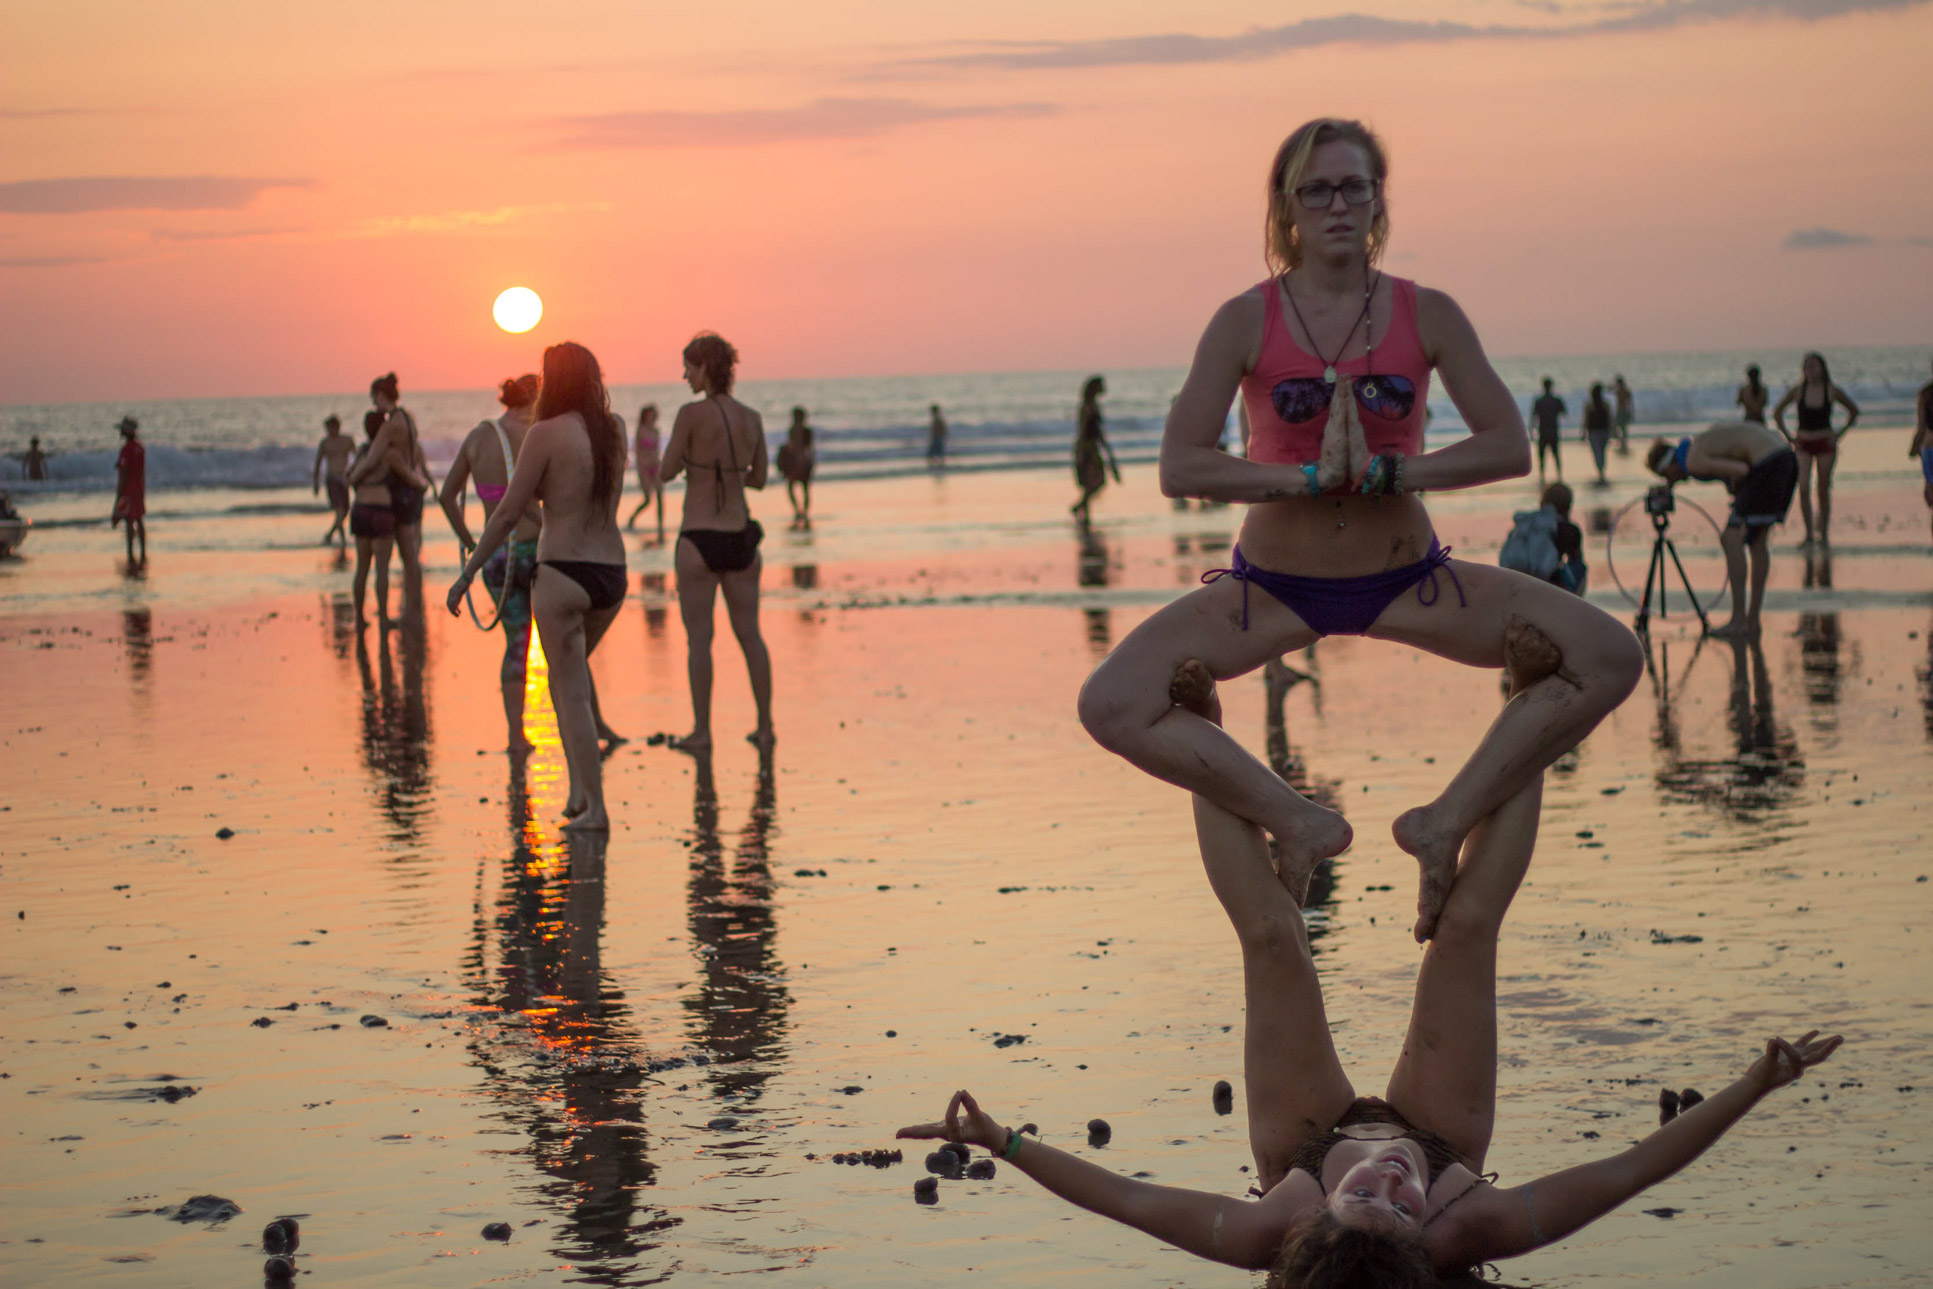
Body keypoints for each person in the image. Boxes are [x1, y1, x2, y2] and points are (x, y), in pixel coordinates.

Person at [905, 662, 1841, 1285]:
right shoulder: (1465, 1222)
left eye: (1370, 1196)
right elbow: (1630, 1168)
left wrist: (1006, 1143)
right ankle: (1531, 704)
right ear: (1425, 1236)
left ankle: (1198, 729)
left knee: (1273, 932)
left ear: (1316, 1224)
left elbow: (1132, 1200)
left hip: (1300, 1139)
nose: (1390, 1177)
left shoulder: (1283, 1220)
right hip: (1450, 1131)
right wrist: (1755, 1084)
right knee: (1468, 926)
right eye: (1403, 1204)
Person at [1076, 117, 1644, 938]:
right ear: (1287, 208)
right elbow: (1180, 465)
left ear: (1378, 199)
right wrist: (1302, 479)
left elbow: (1508, 445)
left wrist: (1392, 470)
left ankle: (1444, 819)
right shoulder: (1244, 320)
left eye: (1354, 185)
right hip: (1269, 590)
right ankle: (1298, 819)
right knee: (1111, 702)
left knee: (1609, 655)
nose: (1337, 202)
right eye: (1317, 188)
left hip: (1411, 581)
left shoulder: (1428, 313)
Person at [449, 342, 628, 831]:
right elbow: (593, 492)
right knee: (568, 681)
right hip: (611, 574)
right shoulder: (615, 430)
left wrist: (468, 573)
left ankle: (596, 809)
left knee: (568, 692)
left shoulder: (544, 433)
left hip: (564, 573)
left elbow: (509, 511)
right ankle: (578, 792)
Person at [661, 332, 774, 752]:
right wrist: (730, 471)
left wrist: (697, 467)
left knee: (699, 638)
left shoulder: (690, 415)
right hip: (742, 536)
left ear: (704, 367)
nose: (685, 375)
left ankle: (702, 731)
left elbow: (666, 471)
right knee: (750, 635)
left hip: (699, 536)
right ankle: (765, 727)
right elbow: (759, 479)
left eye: (689, 367)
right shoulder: (752, 417)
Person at [440, 374, 544, 751]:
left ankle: (516, 736)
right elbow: (534, 504)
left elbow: (446, 496)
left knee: (517, 640)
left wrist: (470, 542)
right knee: (559, 640)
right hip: (534, 551)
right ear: (533, 397)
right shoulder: (535, 433)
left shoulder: (477, 437)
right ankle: (579, 725)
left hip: (495, 556)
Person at [1646, 421, 1799, 638]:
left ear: (1669, 466)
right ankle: (1752, 621)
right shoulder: (1697, 445)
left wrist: (1736, 490)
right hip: (1784, 457)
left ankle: (1738, 620)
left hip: (1766, 465)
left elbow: (1741, 470)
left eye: (1665, 476)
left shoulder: (1693, 460)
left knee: (1731, 539)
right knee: (1757, 542)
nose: (1669, 480)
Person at [349, 373, 433, 617]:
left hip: (398, 497)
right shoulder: (408, 419)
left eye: (374, 399)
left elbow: (371, 460)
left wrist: (353, 478)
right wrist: (420, 483)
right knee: (411, 558)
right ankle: (414, 608)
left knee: (405, 559)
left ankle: (412, 610)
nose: (374, 405)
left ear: (381, 396)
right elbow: (412, 458)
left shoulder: (390, 426)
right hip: (410, 494)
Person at [1771, 352, 1859, 545]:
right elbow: (1777, 412)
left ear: (1822, 368)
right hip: (1803, 443)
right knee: (1803, 487)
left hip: (1825, 443)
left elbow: (1853, 411)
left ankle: (1824, 534)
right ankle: (1809, 533)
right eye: (1807, 366)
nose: (1810, 370)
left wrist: (1839, 434)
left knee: (1823, 489)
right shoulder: (1797, 391)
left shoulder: (1831, 390)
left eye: (1814, 366)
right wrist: (1789, 437)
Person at [349, 409, 396, 626]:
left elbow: (348, 476)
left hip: (360, 508)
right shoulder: (388, 452)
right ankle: (384, 617)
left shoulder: (362, 451)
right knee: (382, 570)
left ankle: (359, 617)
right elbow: (405, 475)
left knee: (362, 568)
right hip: (381, 510)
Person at [1071, 375, 1120, 523]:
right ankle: (1082, 510)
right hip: (1088, 447)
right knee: (1093, 481)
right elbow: (1089, 430)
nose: (1104, 388)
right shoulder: (1088, 407)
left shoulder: (1091, 406)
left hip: (1089, 446)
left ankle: (1081, 509)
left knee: (1094, 481)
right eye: (1101, 385)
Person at [625, 404, 664, 538]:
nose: (651, 417)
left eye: (652, 415)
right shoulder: (640, 431)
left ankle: (660, 525)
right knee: (647, 499)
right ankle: (632, 518)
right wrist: (640, 469)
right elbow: (636, 451)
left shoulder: (656, 431)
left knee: (660, 495)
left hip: (656, 467)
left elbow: (657, 450)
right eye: (648, 415)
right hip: (644, 468)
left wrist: (659, 465)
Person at [314, 414, 354, 546]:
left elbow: (359, 457)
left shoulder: (347, 440)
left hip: (344, 479)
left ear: (337, 427)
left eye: (331, 427)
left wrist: (355, 474)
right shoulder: (325, 443)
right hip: (331, 480)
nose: (329, 431)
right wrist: (316, 482)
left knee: (345, 510)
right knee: (339, 510)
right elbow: (318, 463)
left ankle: (331, 535)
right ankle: (339, 539)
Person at [111, 415, 146, 564]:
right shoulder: (140, 448)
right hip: (138, 488)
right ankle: (143, 551)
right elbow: (142, 472)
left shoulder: (126, 450)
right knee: (139, 519)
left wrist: (118, 495)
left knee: (129, 521)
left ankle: (130, 553)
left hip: (128, 490)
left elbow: (123, 474)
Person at [777, 405, 816, 528]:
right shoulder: (807, 431)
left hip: (794, 463)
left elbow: (792, 447)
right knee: (805, 489)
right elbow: (810, 449)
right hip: (804, 462)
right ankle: (803, 512)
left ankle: (797, 511)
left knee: (791, 487)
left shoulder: (793, 430)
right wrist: (811, 463)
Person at [1911, 356, 1933, 544]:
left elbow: (1921, 427)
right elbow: (1921, 426)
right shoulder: (1926, 394)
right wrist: (1915, 445)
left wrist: (1914, 446)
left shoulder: (1925, 393)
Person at [1530, 377, 1565, 482]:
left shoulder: (1539, 401)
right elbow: (1563, 412)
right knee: (1556, 454)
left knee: (1541, 455)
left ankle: (1542, 475)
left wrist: (1531, 431)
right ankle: (1559, 475)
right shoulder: (1556, 400)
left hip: (1543, 431)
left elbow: (1534, 417)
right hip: (1553, 430)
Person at [1581, 382, 1613, 486]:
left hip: (1594, 432)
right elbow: (1611, 419)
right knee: (1603, 452)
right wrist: (1614, 431)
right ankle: (1601, 472)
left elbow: (1585, 420)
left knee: (1597, 453)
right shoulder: (1605, 404)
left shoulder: (1589, 405)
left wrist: (1583, 432)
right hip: (1604, 431)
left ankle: (1600, 472)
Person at [1612, 373, 1634, 454]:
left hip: (1622, 411)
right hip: (1621, 411)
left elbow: (1630, 403)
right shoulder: (1621, 391)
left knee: (1622, 428)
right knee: (1620, 427)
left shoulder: (1622, 391)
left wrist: (1631, 412)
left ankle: (1622, 443)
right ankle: (1622, 442)